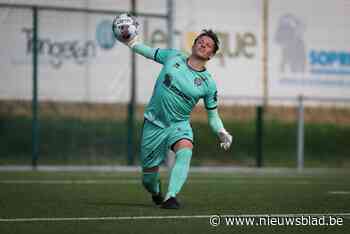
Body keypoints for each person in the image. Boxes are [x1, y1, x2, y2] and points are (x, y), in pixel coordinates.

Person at [118, 18, 233, 209]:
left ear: (211, 55)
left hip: (179, 125)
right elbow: (148, 51)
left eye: (208, 45)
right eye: (201, 41)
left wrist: (221, 131)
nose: (203, 44)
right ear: (194, 44)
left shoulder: (208, 84)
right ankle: (156, 192)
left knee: (185, 151)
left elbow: (213, 116)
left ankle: (171, 197)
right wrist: (131, 42)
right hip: (154, 123)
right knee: (148, 180)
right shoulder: (173, 57)